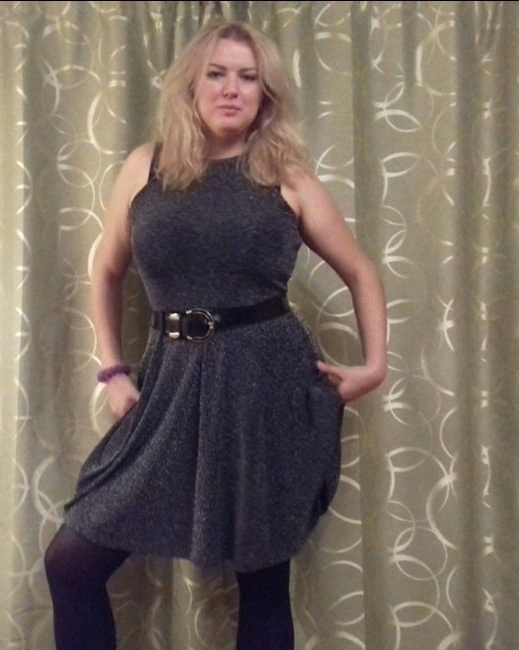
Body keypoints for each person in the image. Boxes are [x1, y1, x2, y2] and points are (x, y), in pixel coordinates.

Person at [44, 19, 387, 650]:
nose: (232, 89)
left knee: (263, 583)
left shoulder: (286, 174)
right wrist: (113, 371)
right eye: (217, 74)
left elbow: (361, 272)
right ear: (191, 86)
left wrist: (374, 366)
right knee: (71, 563)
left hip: (265, 385)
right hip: (170, 385)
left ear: (265, 95)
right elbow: (107, 271)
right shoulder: (146, 167)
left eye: (248, 78)